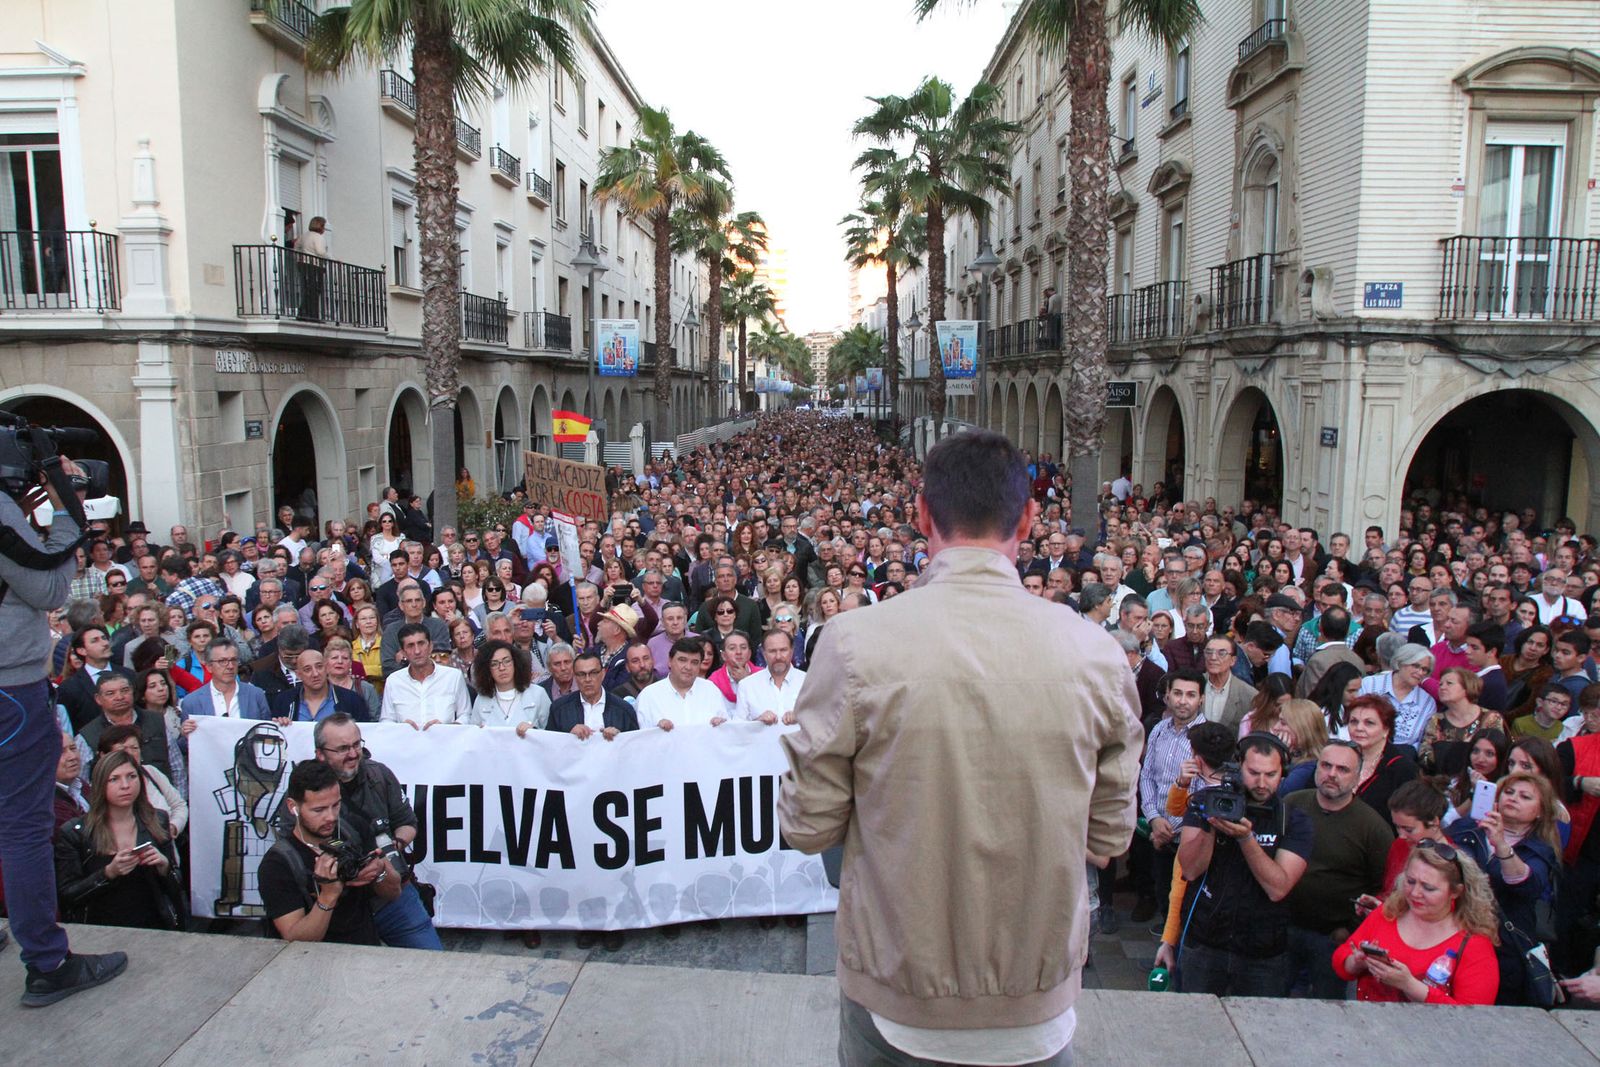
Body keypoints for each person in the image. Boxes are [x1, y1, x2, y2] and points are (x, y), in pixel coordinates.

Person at [780, 430, 1140, 1066]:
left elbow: (808, 826)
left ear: (922, 515)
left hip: (898, 993)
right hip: (1037, 995)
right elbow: (1110, 836)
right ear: (1028, 518)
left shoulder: (854, 642)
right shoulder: (1096, 653)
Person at [311, 714, 442, 950]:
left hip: (392, 896)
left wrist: (389, 850)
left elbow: (409, 823)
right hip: (337, 905)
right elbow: (294, 841)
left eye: (356, 745)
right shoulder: (305, 787)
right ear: (320, 754)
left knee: (432, 961)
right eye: (342, 749)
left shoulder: (379, 775)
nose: (352, 754)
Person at [1283, 740, 1395, 998]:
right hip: (1282, 928)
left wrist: (1350, 928)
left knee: (1328, 1010)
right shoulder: (1291, 804)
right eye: (1326, 765)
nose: (1332, 774)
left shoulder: (1373, 827)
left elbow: (1381, 888)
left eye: (1343, 769)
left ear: (1358, 776)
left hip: (1333, 938)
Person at [1333, 841, 1500, 1004]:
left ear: (1455, 892)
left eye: (1428, 888)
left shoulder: (1474, 942)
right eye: (1410, 881)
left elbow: (1475, 1015)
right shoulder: (1389, 913)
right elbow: (1341, 961)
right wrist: (1357, 962)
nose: (1415, 893)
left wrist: (1409, 985)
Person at [1446, 772, 1560, 1004]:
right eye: (1509, 792)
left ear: (1540, 812)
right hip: (1452, 933)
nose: (1514, 798)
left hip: (1504, 947)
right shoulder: (1466, 829)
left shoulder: (1538, 849)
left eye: (1525, 796)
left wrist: (1500, 844)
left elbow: (1526, 886)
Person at [258, 759, 400, 944]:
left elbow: (394, 892)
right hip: (314, 961)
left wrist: (379, 872)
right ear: (293, 807)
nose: (331, 817)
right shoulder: (278, 864)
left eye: (336, 805)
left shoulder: (354, 830)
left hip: (365, 948)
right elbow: (295, 940)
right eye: (319, 810)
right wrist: (328, 895)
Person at [53, 750, 184, 933]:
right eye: (114, 779)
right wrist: (108, 873)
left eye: (131, 776)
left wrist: (164, 867)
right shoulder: (75, 833)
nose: (125, 785)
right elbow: (67, 895)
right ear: (100, 785)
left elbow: (177, 886)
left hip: (154, 928)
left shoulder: (158, 820)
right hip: (99, 931)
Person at [1136, 668, 1207, 925]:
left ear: (1201, 699)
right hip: (1158, 831)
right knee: (1164, 895)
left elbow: (1204, 791)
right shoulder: (1158, 730)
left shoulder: (1206, 737)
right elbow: (1146, 777)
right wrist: (1154, 819)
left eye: (1190, 695)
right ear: (1167, 696)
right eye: (1177, 693)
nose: (1182, 700)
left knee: (1186, 904)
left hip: (1188, 835)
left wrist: (1173, 829)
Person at [93, 725, 187, 836]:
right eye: (122, 749)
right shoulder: (100, 783)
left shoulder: (151, 772)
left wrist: (173, 827)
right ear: (105, 755)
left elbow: (179, 805)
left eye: (134, 748)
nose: (130, 753)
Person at [380, 623, 472, 730]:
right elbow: (386, 721)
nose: (417, 651)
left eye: (421, 643)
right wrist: (401, 728)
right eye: (410, 646)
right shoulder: (394, 681)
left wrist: (449, 728)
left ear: (430, 646)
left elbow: (466, 715)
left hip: (445, 743)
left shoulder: (453, 677)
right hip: (406, 744)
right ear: (403, 652)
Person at [1419, 668, 1506, 773]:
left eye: (1449, 683)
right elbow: (1424, 756)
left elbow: (1497, 752)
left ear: (1466, 688)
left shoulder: (1489, 717)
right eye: (1441, 684)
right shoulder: (1436, 719)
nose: (1442, 687)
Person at [636, 637, 732, 730]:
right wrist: (657, 731)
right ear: (669, 661)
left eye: (694, 662)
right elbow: (642, 740)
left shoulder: (711, 690)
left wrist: (721, 726)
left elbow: (727, 730)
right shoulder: (649, 696)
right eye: (682, 660)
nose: (688, 667)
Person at [547, 650, 640, 741]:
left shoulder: (623, 709)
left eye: (593, 673)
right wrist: (569, 737)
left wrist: (620, 739)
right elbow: (549, 747)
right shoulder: (559, 709)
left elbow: (635, 747)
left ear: (603, 674)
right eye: (581, 674)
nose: (588, 679)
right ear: (575, 677)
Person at [178, 639, 272, 722]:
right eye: (222, 661)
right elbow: (184, 741)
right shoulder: (192, 701)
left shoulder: (256, 695)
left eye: (234, 660)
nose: (230, 666)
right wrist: (186, 734)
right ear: (209, 667)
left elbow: (267, 732)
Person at [268, 648, 367, 724]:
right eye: (307, 669)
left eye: (319, 667)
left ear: (326, 668)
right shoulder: (284, 701)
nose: (315, 674)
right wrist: (281, 726)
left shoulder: (352, 700)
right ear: (299, 675)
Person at [467, 641, 551, 730]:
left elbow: (552, 734)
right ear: (486, 669)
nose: (502, 668)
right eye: (494, 664)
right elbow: (474, 737)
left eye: (506, 661)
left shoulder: (537, 694)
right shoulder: (481, 700)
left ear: (516, 663)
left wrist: (534, 731)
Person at [735, 630, 807, 724]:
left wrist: (801, 718)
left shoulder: (808, 682)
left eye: (783, 650)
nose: (778, 656)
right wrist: (757, 723)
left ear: (792, 651)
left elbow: (821, 722)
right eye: (772, 651)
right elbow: (738, 729)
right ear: (764, 653)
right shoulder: (747, 686)